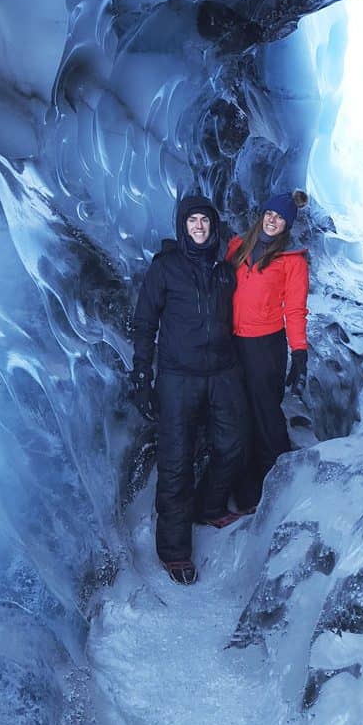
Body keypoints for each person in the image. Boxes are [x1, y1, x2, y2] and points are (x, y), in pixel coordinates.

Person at [129, 194, 247, 586]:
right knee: (177, 460)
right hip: (178, 377)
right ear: (183, 226)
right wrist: (142, 377)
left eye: (205, 220)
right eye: (192, 221)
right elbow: (144, 323)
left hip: (222, 371)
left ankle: (209, 506)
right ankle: (175, 551)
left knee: (233, 444)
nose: (199, 226)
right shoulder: (165, 269)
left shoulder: (223, 270)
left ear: (213, 225)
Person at [228, 189, 310, 510]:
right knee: (239, 413)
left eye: (281, 218)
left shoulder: (291, 260)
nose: (273, 221)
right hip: (234, 343)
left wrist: (299, 351)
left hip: (265, 347)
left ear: (287, 225)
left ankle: (279, 482)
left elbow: (295, 309)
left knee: (266, 414)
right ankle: (247, 486)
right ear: (262, 215)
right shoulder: (237, 248)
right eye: (270, 214)